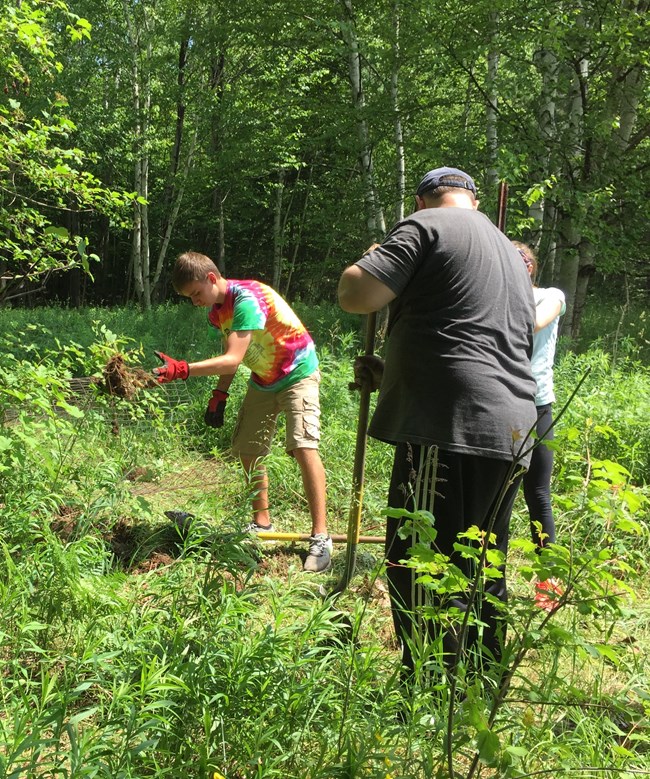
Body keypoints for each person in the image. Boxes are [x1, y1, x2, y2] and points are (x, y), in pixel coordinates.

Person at [338, 167, 537, 680]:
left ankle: (428, 683)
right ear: (471, 198)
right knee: (481, 557)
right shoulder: (508, 252)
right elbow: (471, 339)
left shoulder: (427, 225)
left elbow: (356, 294)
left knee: (419, 554)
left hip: (449, 427)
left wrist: (368, 258)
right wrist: (392, 373)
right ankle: (482, 678)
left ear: (425, 198)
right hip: (511, 426)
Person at [153, 251, 332, 573]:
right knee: (248, 450)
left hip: (298, 372)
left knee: (303, 446)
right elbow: (232, 354)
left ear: (211, 278)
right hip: (264, 379)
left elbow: (233, 358)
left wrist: (182, 370)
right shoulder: (216, 313)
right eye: (188, 298)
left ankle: (321, 536)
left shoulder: (247, 298)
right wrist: (220, 393)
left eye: (196, 294)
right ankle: (261, 523)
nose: (195, 302)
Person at [513, 241, 566, 612]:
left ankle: (548, 583)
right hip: (500, 403)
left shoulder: (551, 296)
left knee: (538, 493)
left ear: (533, 267)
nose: (519, 265)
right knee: (494, 493)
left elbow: (531, 323)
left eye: (524, 260)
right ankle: (483, 573)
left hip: (536, 405)